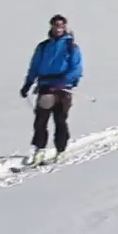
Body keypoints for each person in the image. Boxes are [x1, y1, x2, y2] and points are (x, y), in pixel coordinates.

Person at [19, 14, 83, 165]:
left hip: (63, 89)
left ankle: (60, 150)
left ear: (65, 27)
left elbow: (76, 69)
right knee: (40, 120)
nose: (58, 28)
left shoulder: (71, 47)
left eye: (61, 25)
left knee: (60, 120)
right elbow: (34, 66)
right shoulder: (43, 47)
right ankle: (39, 150)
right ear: (51, 26)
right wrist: (28, 83)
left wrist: (63, 81)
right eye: (56, 25)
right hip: (45, 86)